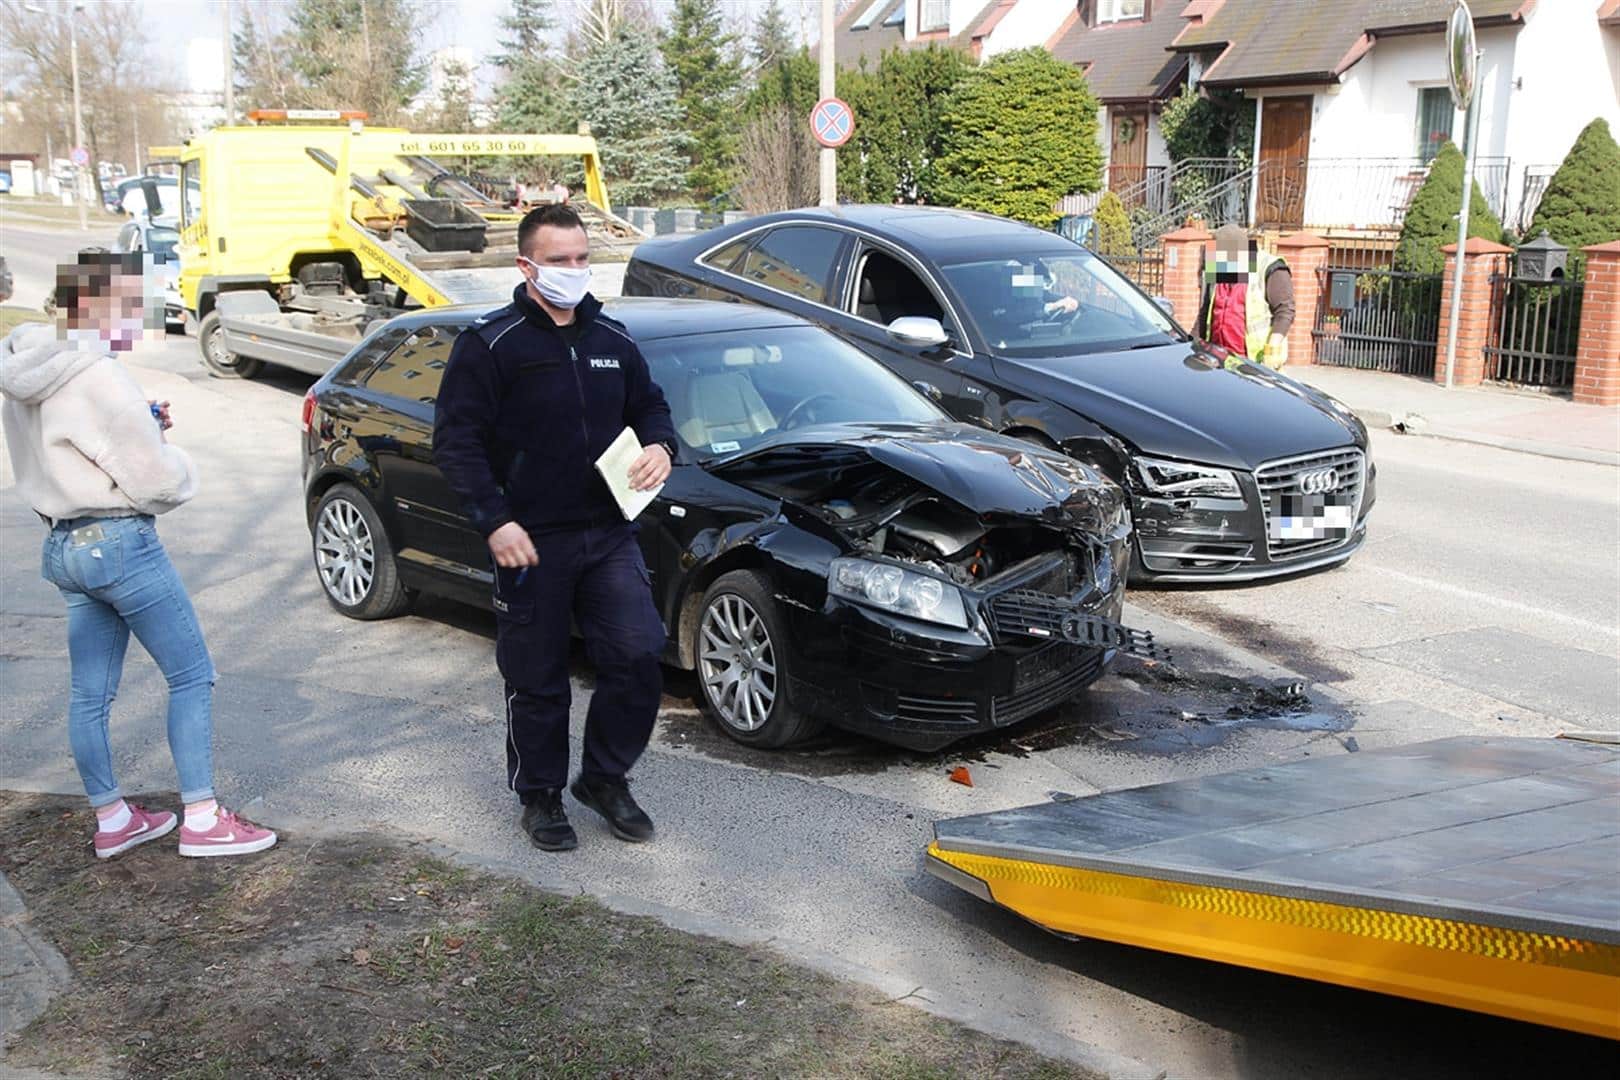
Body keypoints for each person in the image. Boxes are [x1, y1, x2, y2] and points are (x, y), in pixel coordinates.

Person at [0, 252, 276, 859]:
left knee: (88, 695)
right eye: (135, 306)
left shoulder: (23, 365)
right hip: (120, 544)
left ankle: (113, 818)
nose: (141, 321)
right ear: (103, 307)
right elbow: (156, 483)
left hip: (63, 545)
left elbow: (64, 447)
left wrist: (141, 425)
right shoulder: (97, 373)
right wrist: (169, 457)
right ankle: (202, 819)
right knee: (191, 675)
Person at [433, 203, 677, 853]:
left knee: (637, 653)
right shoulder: (491, 345)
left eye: (581, 258)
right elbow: (456, 444)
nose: (575, 271)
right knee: (536, 676)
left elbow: (650, 406)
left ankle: (604, 777)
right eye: (559, 260)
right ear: (526, 265)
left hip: (606, 534)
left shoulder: (613, 341)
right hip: (530, 541)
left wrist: (661, 444)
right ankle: (539, 797)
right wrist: (497, 521)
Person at [1194, 223, 1295, 369]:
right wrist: (1193, 343)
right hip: (1218, 359)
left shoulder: (1268, 267)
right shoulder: (1220, 266)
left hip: (1255, 363)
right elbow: (1205, 311)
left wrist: (1273, 347)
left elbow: (1285, 309)